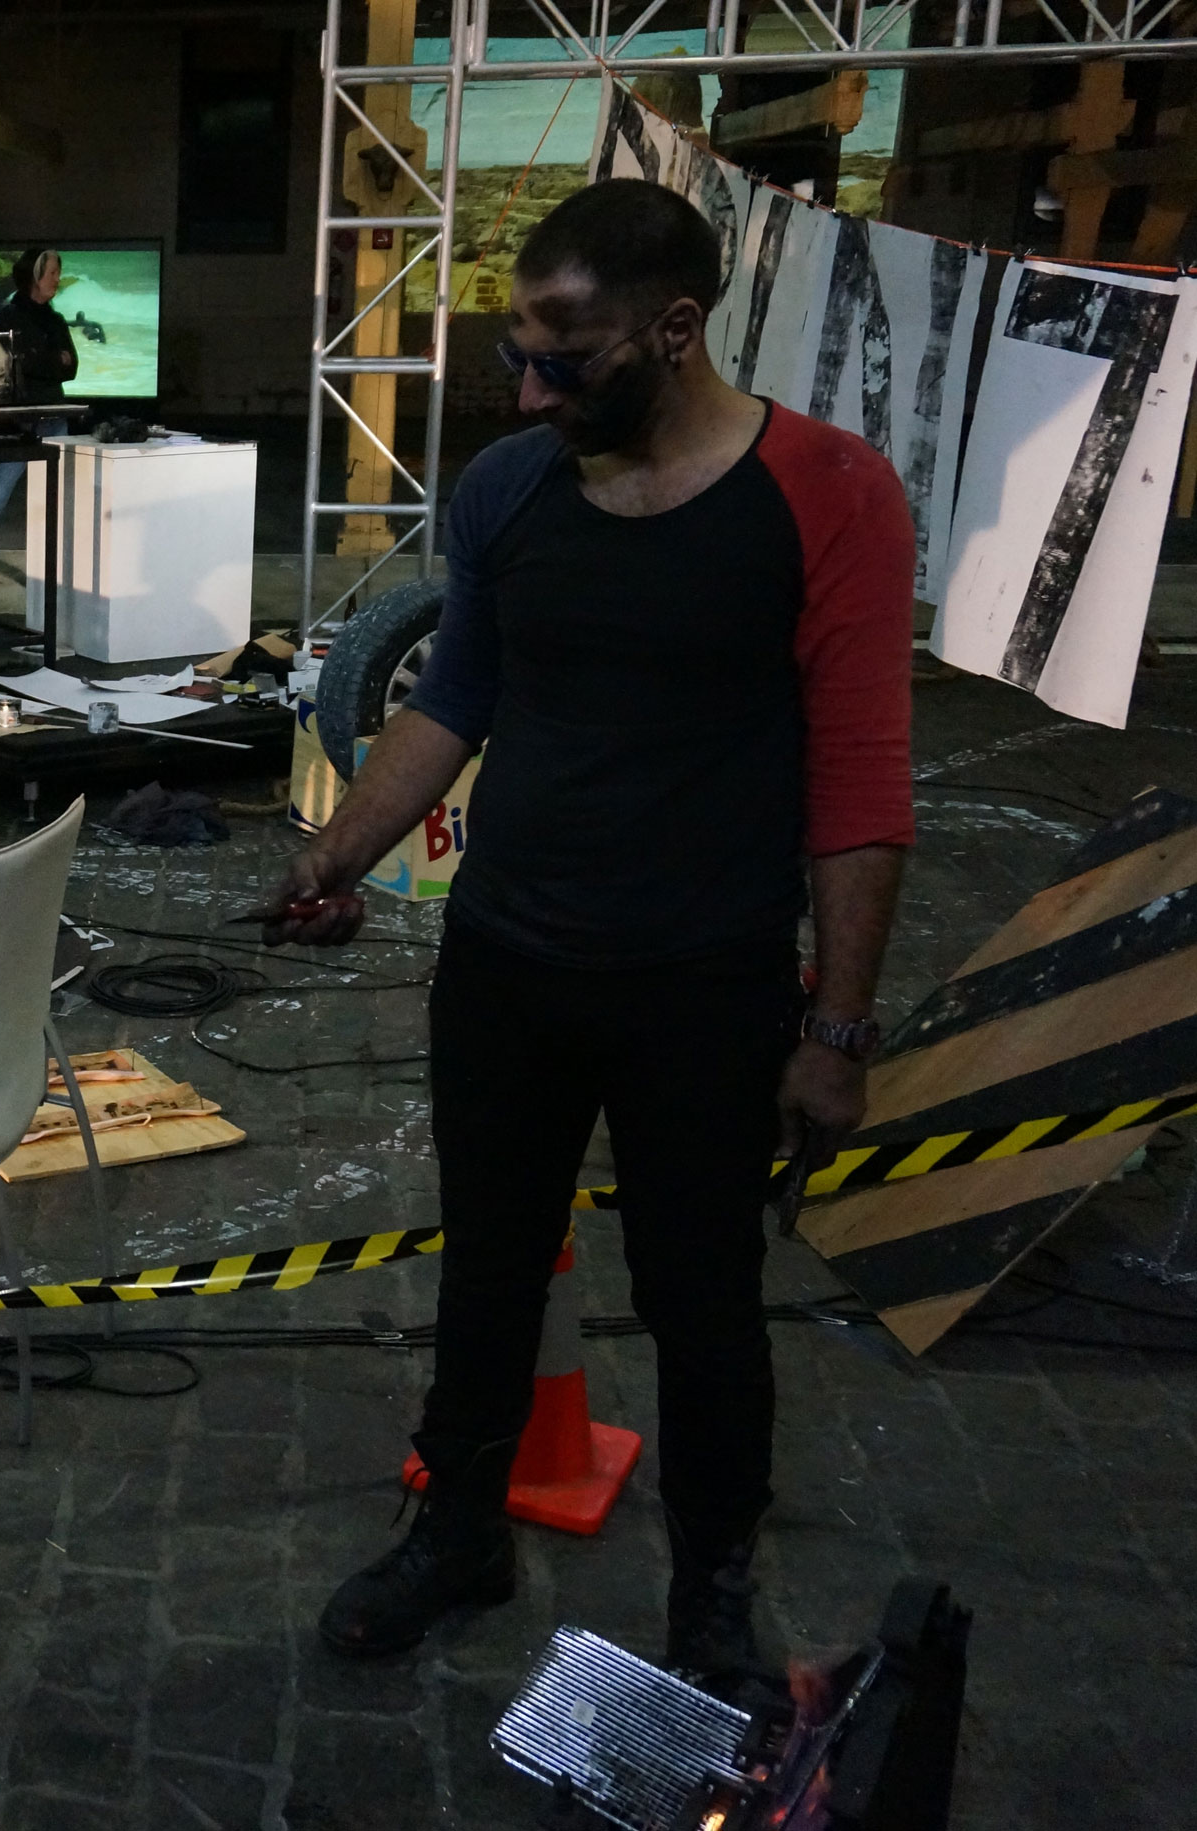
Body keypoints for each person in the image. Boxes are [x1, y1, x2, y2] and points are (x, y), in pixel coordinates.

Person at [254, 180, 914, 1706]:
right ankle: (459, 1532)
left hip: (706, 986)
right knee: (489, 1268)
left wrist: (838, 1030)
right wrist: (334, 853)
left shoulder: (830, 492)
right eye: (517, 354)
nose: (531, 391)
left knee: (704, 1302)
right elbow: (452, 698)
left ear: (676, 330)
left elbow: (861, 781)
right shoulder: (512, 489)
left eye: (566, 357)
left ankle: (713, 1595)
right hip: (507, 967)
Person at [0, 246, 78, 544]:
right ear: (35, 276)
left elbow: (72, 367)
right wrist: (53, 359)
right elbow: (21, 364)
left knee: (60, 501)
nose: (57, 279)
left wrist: (42, 359)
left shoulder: (56, 320)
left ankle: (58, 566)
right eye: (52, 273)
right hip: (18, 421)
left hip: (54, 418)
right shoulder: (10, 316)